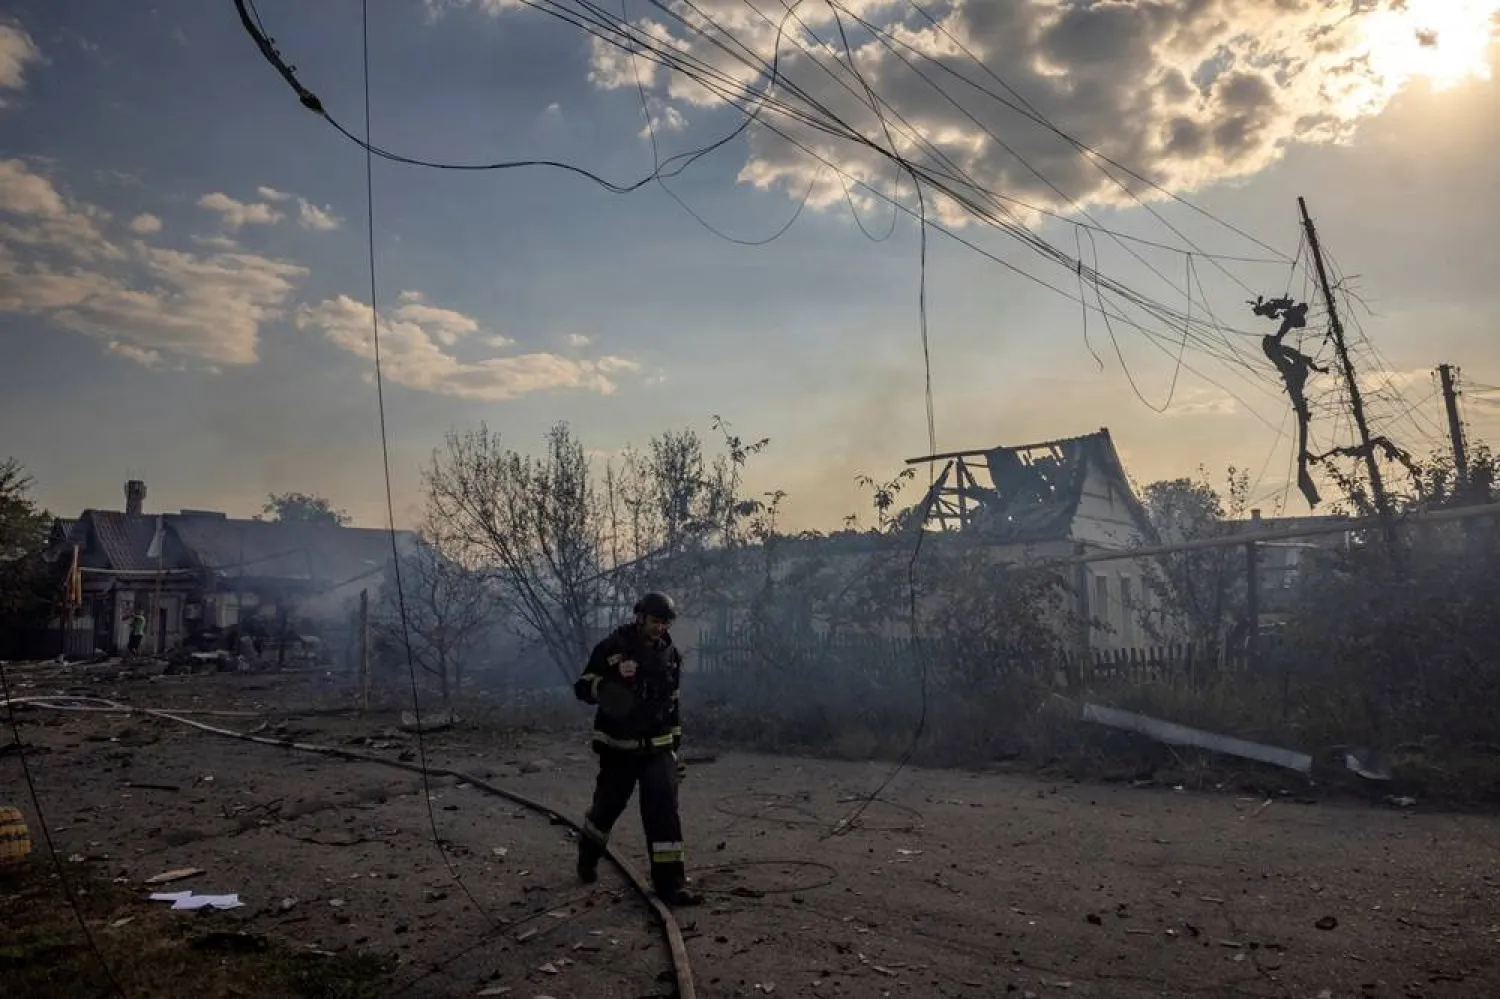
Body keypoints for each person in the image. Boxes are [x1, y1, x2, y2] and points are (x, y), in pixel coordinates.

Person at [572, 591, 700, 907]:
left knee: (664, 813)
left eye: (665, 623)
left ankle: (671, 884)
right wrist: (612, 678)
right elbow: (583, 688)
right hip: (619, 749)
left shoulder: (672, 655)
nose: (660, 628)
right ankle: (588, 856)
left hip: (657, 749)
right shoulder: (612, 648)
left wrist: (675, 751)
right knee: (606, 809)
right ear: (640, 617)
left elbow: (672, 706)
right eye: (655, 621)